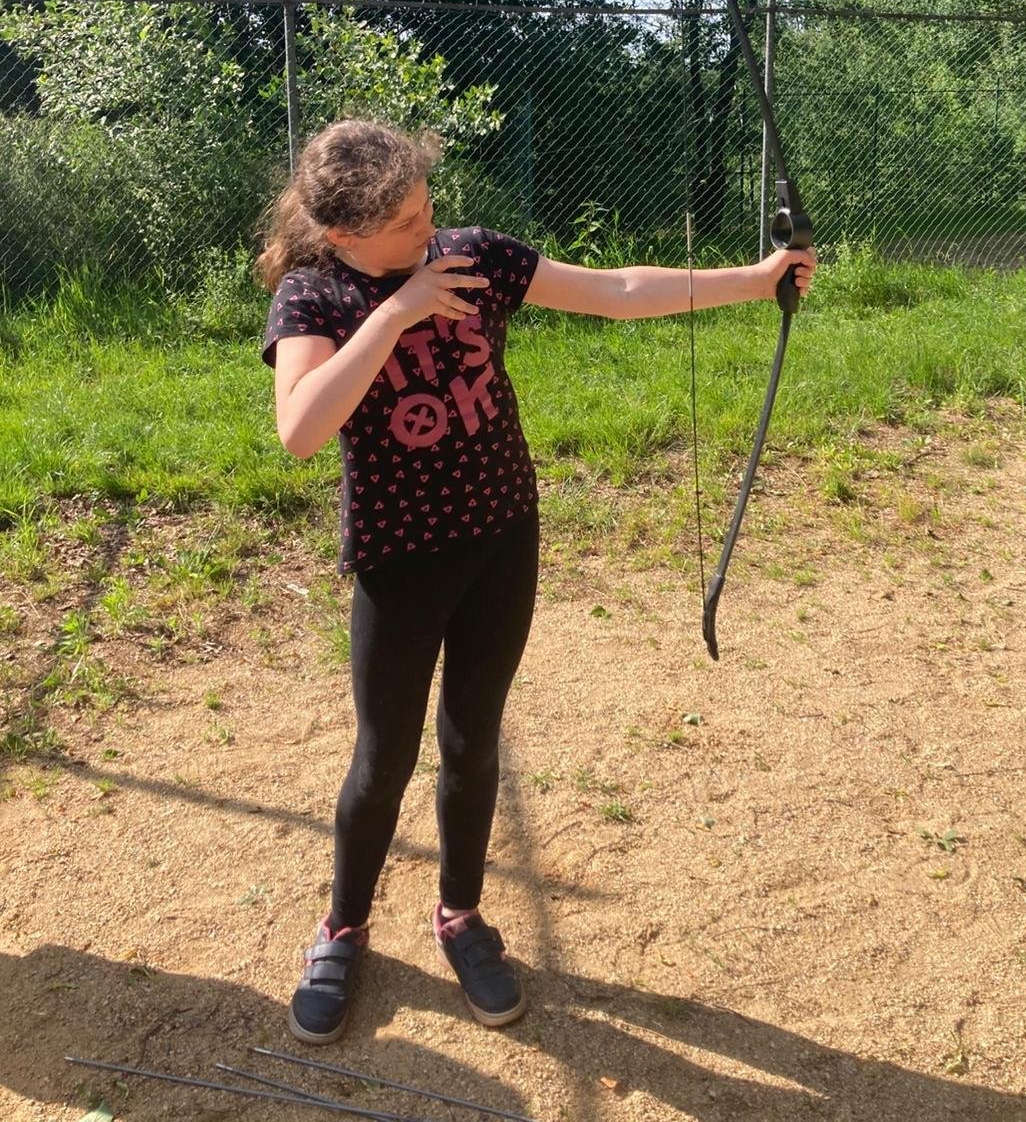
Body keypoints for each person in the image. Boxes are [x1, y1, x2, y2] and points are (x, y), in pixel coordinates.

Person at [258, 118, 816, 1043]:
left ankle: (461, 916)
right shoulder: (317, 295)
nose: (427, 231)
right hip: (400, 562)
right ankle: (343, 929)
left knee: (473, 742)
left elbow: (616, 291)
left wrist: (754, 281)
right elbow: (301, 429)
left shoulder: (471, 256)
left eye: (427, 207)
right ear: (345, 234)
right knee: (382, 759)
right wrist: (397, 312)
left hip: (500, 540)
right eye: (404, 225)